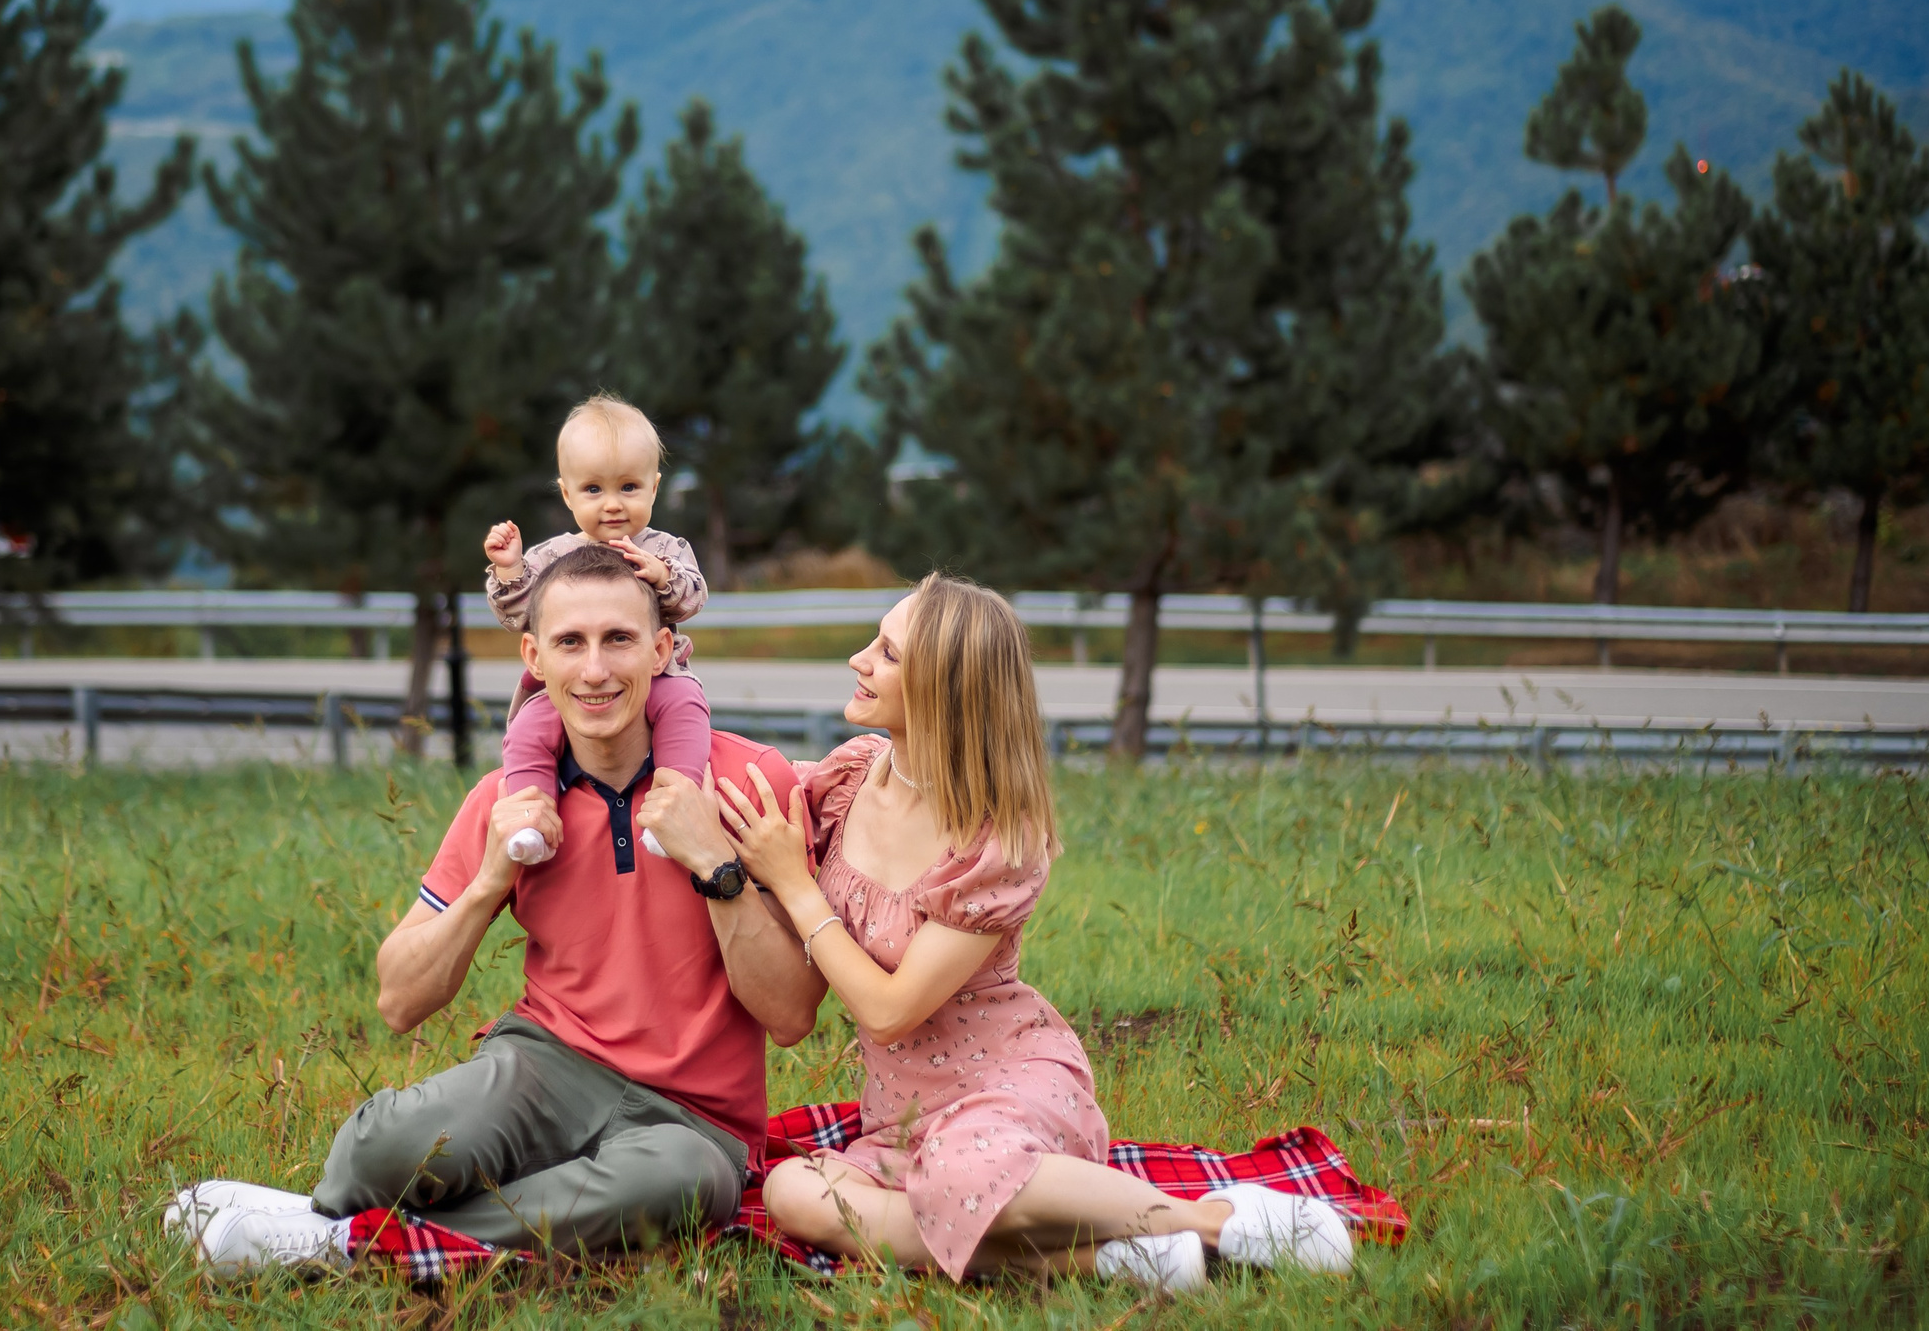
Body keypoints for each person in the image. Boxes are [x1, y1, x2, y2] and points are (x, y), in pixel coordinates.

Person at [169, 544, 823, 1274]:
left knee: (678, 1184)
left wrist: (715, 864)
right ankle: (358, 1223)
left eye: (620, 639)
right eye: (570, 643)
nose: (596, 669)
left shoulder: (748, 779)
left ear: (663, 648)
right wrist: (487, 882)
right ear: (534, 656)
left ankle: (334, 1238)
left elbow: (793, 1016)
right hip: (548, 1066)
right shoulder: (504, 801)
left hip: (692, 1120)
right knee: (376, 1150)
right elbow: (398, 998)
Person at [716, 573, 1356, 1292]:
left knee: (968, 1171)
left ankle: (1209, 1219)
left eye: (889, 653)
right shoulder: (848, 777)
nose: (860, 660)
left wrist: (798, 887)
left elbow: (890, 1011)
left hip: (1007, 1083)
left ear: (947, 691)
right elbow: (731, 779)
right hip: (899, 1119)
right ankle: (1104, 1258)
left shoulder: (997, 839)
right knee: (792, 1194)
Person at [482, 394, 711, 865]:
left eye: (629, 487)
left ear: (654, 488)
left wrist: (662, 577)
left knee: (686, 709)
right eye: (593, 490)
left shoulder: (664, 547)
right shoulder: (550, 558)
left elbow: (693, 598)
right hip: (566, 687)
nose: (612, 505)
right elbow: (518, 615)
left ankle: (676, 807)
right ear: (567, 494)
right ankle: (531, 816)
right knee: (529, 727)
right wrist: (509, 572)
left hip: (660, 673)